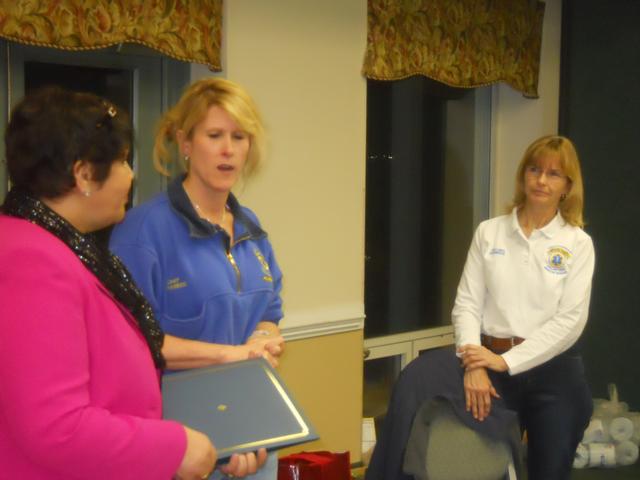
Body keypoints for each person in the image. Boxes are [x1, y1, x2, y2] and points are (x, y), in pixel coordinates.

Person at [0, 86, 267, 480]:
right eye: (124, 162)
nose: (131, 175)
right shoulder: (32, 260)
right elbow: (55, 428)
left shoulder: (66, 247)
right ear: (85, 175)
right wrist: (176, 447)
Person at [109, 77, 285, 479]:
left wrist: (261, 338)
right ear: (185, 143)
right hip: (177, 438)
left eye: (239, 136)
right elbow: (131, 346)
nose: (228, 149)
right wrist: (234, 355)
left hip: (252, 422)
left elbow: (269, 311)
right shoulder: (142, 233)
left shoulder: (249, 227)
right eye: (214, 135)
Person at [454, 135, 595, 479]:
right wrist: (474, 364)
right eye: (534, 169)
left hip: (554, 374)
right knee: (483, 471)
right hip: (488, 370)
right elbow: (467, 304)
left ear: (567, 186)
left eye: (554, 174)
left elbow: (570, 322)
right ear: (522, 176)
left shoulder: (577, 243)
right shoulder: (490, 233)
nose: (541, 181)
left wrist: (506, 361)